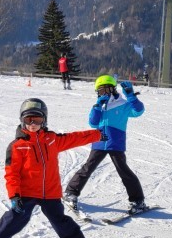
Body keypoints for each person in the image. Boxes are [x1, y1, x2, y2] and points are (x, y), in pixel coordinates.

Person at [0, 98, 101, 238]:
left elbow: (75, 138)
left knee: (61, 222)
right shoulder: (17, 146)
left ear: (45, 120)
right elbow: (11, 174)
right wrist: (14, 196)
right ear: (22, 120)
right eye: (28, 120)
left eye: (37, 120)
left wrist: (97, 134)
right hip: (26, 193)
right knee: (12, 220)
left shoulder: (51, 140)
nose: (33, 124)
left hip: (50, 193)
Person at [63, 75, 148, 215]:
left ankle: (138, 201)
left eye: (106, 90)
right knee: (87, 168)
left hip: (115, 143)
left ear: (113, 89)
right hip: (99, 142)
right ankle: (70, 193)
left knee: (124, 171)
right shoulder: (99, 106)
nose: (104, 94)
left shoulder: (123, 104)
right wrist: (97, 106)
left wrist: (131, 96)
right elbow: (93, 123)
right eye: (101, 91)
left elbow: (138, 111)